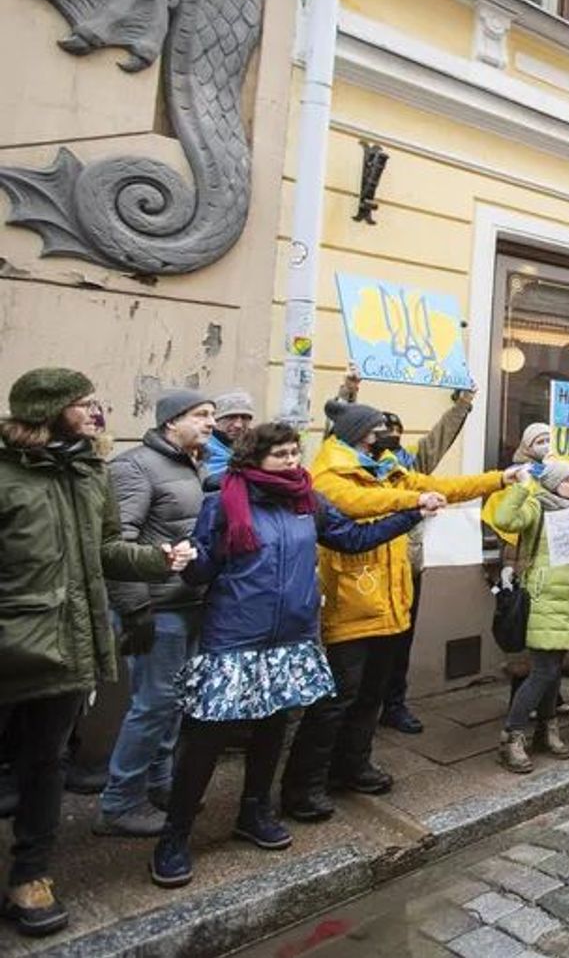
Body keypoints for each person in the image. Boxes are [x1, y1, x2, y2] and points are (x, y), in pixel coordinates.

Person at [151, 424, 425, 886]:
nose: (292, 461)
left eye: (296, 451)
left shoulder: (307, 501)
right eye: (280, 454)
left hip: (292, 637)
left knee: (272, 730)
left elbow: (351, 539)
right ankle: (174, 836)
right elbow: (202, 571)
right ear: (253, 459)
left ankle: (254, 812)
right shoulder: (224, 501)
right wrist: (182, 558)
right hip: (235, 636)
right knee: (207, 740)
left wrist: (411, 513)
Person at [0, 370, 187, 937]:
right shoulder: (7, 475)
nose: (94, 411)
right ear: (50, 410)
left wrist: (157, 559)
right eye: (82, 403)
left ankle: (30, 877)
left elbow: (105, 548)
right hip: (10, 644)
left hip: (65, 648)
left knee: (46, 764)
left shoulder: (90, 472)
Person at [280, 405, 516, 822]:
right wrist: (415, 502)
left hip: (391, 602)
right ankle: (304, 786)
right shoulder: (330, 474)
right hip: (349, 606)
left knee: (371, 696)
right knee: (334, 701)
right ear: (357, 435)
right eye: (377, 431)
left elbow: (442, 484)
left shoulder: (388, 466)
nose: (386, 436)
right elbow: (363, 503)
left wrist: (498, 478)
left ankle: (354, 766)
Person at [98, 388, 216, 838]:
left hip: (188, 604)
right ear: (171, 422)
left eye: (211, 415)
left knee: (173, 703)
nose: (210, 422)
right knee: (152, 706)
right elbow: (116, 545)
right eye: (200, 415)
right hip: (156, 608)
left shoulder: (193, 465)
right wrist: (133, 609)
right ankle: (119, 803)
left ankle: (160, 783)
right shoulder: (135, 468)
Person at [333, 371, 476, 737]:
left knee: (400, 645)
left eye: (395, 431)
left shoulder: (410, 467)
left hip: (407, 569)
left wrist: (463, 404)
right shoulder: (352, 468)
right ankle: (355, 715)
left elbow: (439, 439)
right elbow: (335, 433)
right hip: (365, 571)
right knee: (361, 654)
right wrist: (347, 394)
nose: (390, 438)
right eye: (383, 431)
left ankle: (393, 705)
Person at [489, 459, 569, 773]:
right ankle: (511, 737)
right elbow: (504, 518)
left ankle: (546, 729)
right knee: (541, 671)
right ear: (552, 483)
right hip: (542, 600)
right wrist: (524, 486)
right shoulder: (537, 507)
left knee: (554, 670)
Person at [201, 390, 256, 488]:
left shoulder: (259, 447)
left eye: (244, 418)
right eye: (230, 417)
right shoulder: (199, 448)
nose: (238, 425)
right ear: (215, 421)